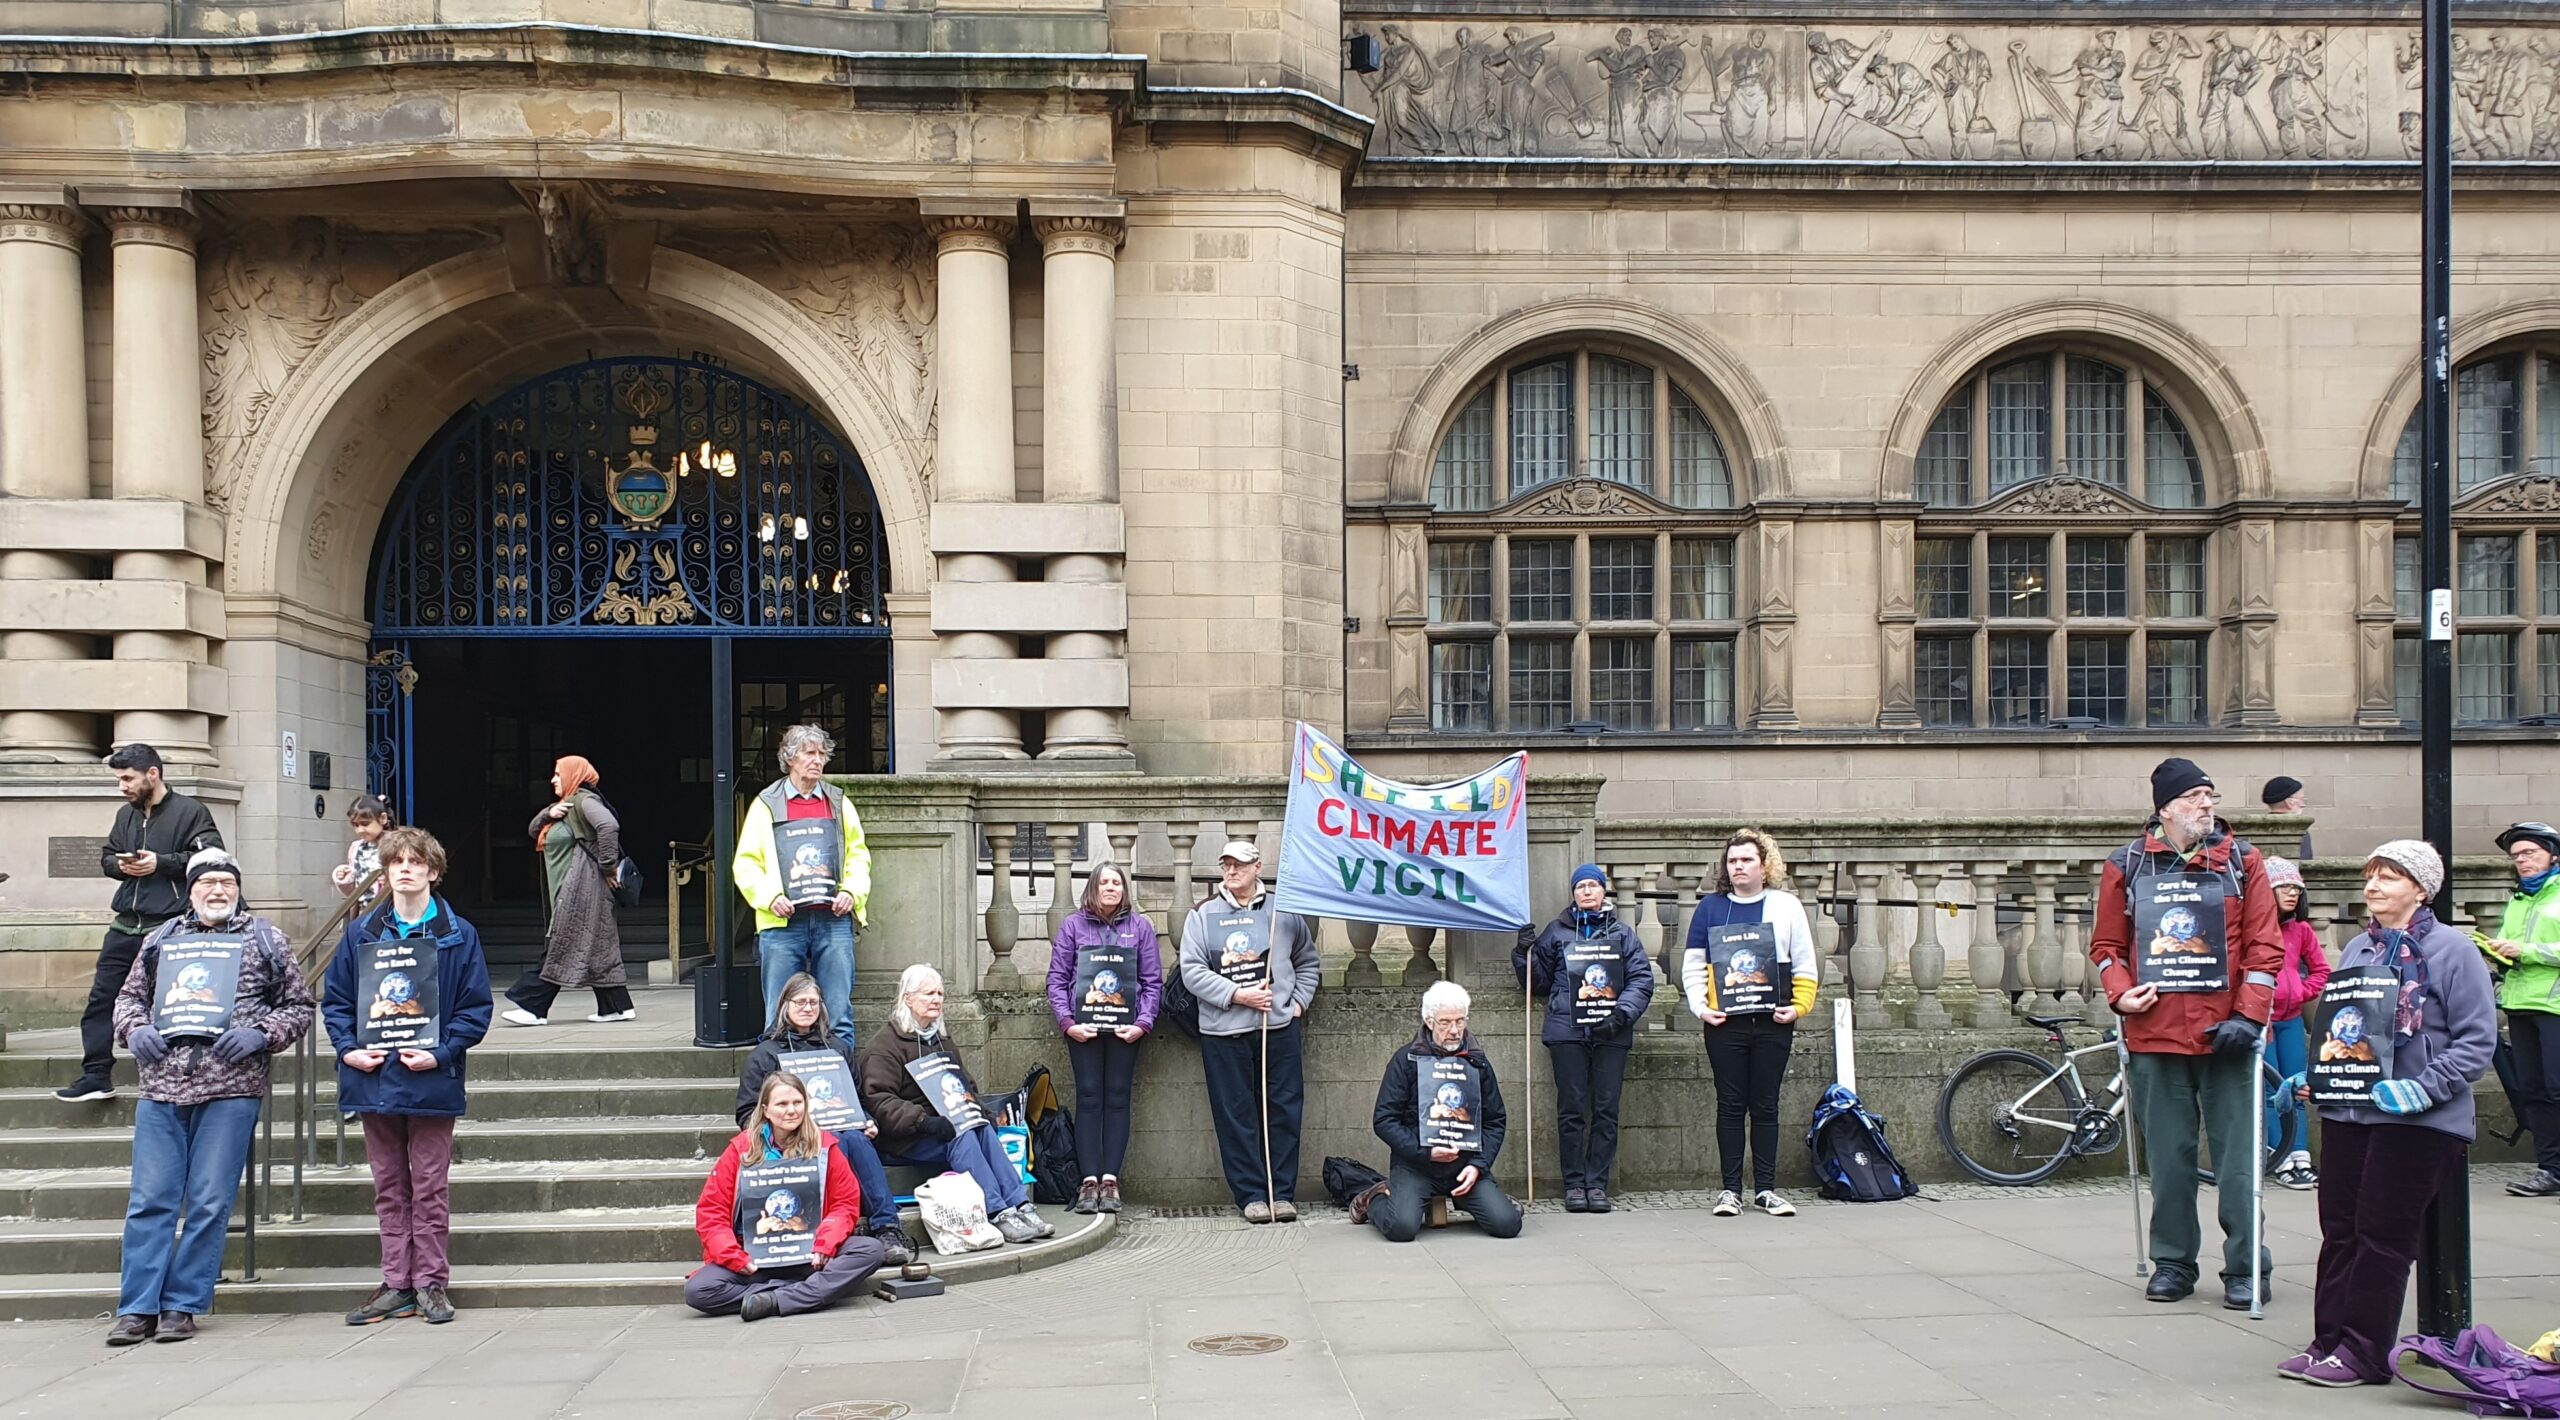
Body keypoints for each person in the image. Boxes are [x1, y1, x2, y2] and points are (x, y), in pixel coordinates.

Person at [2279, 841, 2495, 1387]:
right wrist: (2318, 1075)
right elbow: (2339, 1029)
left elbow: (2475, 1040)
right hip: (2353, 1113)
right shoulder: (2358, 949)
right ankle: (2329, 1341)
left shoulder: (2453, 950)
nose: (2373, 886)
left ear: (2420, 890)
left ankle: (2364, 1351)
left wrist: (2426, 1088)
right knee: (2341, 1231)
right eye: (2370, 876)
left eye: (2390, 878)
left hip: (2419, 1121)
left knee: (2382, 1235)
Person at [2089, 757, 2283, 1310]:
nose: (2207, 805)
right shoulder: (2126, 864)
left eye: (2210, 795)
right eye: (2195, 796)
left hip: (2229, 1036)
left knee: (2239, 1161)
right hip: (2155, 1036)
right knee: (2169, 1162)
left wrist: (2248, 1017)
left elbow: (2267, 948)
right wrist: (2121, 993)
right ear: (2165, 807)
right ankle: (2172, 1263)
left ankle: (2247, 1268)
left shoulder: (2244, 863)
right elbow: (2105, 947)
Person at [105, 849, 315, 1345]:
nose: (218, 891)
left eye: (226, 882)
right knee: (150, 1200)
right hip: (162, 1084)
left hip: (230, 1086)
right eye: (208, 883)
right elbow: (128, 997)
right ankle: (137, 1306)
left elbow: (299, 1004)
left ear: (238, 888)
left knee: (208, 1200)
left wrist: (263, 1034)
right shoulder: (161, 939)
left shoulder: (265, 939)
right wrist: (134, 1030)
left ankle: (182, 1304)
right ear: (191, 889)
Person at [322, 827, 494, 1326]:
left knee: (430, 1186)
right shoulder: (360, 933)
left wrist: (441, 1054)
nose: (404, 869)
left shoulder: (459, 934)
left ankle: (432, 1283)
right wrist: (349, 1051)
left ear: (433, 873)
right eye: (396, 861)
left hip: (430, 1079)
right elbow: (335, 1003)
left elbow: (474, 1008)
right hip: (374, 1079)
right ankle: (396, 1281)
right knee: (389, 1186)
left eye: (415, 862)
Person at [58, 744, 225, 1104]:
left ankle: (177, 1076)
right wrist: (121, 865)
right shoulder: (126, 815)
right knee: (103, 1000)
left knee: (171, 1004)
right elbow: (107, 857)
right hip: (125, 924)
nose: (122, 786)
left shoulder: (190, 811)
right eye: (120, 779)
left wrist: (160, 863)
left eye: (128, 778)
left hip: (169, 925)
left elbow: (211, 858)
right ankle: (96, 1075)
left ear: (153, 774)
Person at [855, 965, 1052, 1243]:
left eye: (940, 993)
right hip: (907, 1136)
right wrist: (924, 1121)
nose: (936, 999)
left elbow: (965, 1084)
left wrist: (982, 1112)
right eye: (928, 994)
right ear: (907, 998)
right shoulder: (884, 1047)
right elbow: (880, 1100)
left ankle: (1019, 1204)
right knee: (963, 1134)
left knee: (980, 1127)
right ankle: (997, 1210)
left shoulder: (941, 1039)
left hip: (948, 1125)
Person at [1179, 840, 1319, 1223]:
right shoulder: (1202, 914)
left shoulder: (1284, 911)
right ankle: (1252, 1194)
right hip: (1224, 1033)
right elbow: (1192, 972)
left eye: (1239, 864)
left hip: (1277, 1028)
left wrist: (1298, 1003)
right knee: (1235, 1114)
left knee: (1284, 1111)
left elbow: (1308, 961)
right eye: (1226, 865)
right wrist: (1237, 995)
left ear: (1257, 866)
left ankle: (1281, 1192)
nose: (1231, 871)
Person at [1680, 830, 1819, 1218]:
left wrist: (1799, 1007)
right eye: (1732, 861)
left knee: (1766, 1105)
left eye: (1746, 860)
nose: (1738, 866)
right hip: (1725, 1024)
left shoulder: (1787, 906)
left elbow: (1805, 963)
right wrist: (1700, 1008)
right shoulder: (1711, 908)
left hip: (1773, 1021)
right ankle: (1729, 1191)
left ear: (1764, 865)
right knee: (1729, 1105)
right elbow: (1692, 965)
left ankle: (1767, 1189)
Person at [684, 1072, 890, 1322]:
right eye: (782, 1104)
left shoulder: (826, 1146)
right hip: (754, 1259)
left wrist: (825, 1243)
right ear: (766, 1110)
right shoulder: (740, 1150)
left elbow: (845, 1205)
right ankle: (800, 1294)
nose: (791, 1110)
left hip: (811, 1254)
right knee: (698, 1291)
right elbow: (711, 1212)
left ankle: (772, 1300)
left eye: (797, 1102)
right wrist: (735, 1257)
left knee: (870, 1250)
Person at [736, 972, 912, 1264]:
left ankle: (887, 1226)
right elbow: (745, 1113)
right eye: (801, 1002)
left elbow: (856, 1097)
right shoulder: (765, 1054)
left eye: (814, 1002)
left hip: (842, 1130)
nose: (807, 1008)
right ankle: (839, 1225)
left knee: (854, 1137)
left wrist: (866, 1118)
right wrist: (781, 1127)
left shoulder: (838, 1048)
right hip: (787, 1136)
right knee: (835, 1142)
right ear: (785, 1006)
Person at [1513, 863, 1655, 1213]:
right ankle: (1574, 1183)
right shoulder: (1557, 932)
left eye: (1593, 885)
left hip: (1611, 1032)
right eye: (1581, 886)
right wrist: (1523, 953)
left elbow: (1641, 979)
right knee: (1572, 1109)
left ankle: (1597, 1183)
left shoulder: (1622, 934)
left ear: (1604, 891)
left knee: (1606, 1109)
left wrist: (1621, 1014)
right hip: (1567, 1032)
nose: (1587, 891)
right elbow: (1538, 982)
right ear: (1573, 893)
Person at [732, 725, 872, 1048]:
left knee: (838, 1015)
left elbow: (859, 855)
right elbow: (746, 863)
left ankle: (843, 1092)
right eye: (810, 753)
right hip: (782, 923)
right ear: (790, 758)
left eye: (822, 754)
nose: (818, 760)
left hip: (832, 920)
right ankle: (780, 1093)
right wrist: (770, 898)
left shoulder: (837, 802)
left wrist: (851, 891)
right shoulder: (766, 804)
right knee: (779, 1014)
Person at [1361, 981, 1521, 1243]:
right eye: (1446, 1022)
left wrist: (1479, 1166)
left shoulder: (1477, 1061)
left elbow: (1495, 1121)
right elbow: (1384, 1120)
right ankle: (1375, 1198)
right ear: (1429, 1021)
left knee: (1508, 1224)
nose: (1454, 1031)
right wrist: (1424, 1152)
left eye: (1460, 1021)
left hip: (1465, 1164)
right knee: (1401, 1228)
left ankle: (1480, 1200)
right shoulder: (1406, 1060)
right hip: (1417, 1165)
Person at [1044, 862, 1162, 1214]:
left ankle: (1111, 1179)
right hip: (1085, 1031)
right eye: (1104, 882)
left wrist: (1143, 1023)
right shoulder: (1072, 926)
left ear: (1124, 890)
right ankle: (1089, 1180)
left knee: (1118, 1099)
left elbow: (1153, 981)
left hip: (1127, 1031)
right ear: (1092, 888)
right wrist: (1067, 1023)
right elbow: (1056, 979)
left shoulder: (1140, 928)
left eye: (1117, 882)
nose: (1111, 888)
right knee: (1089, 1097)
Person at [502, 755, 634, 1026]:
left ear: (573, 775)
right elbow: (532, 830)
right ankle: (616, 1006)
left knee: (559, 946)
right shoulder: (564, 805)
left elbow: (609, 826)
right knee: (598, 949)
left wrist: (607, 866)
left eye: (558, 774)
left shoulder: (583, 801)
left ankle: (533, 1006)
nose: (552, 780)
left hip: (581, 890)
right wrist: (547, 814)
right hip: (571, 889)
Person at [2482, 821, 2560, 1197]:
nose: (2522, 861)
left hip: (2555, 1004)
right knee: (2533, 1091)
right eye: (2516, 856)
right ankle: (2550, 1170)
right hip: (2520, 1000)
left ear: (2552, 854)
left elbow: (2540, 949)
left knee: (2557, 1088)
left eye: (2529, 853)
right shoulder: (2519, 899)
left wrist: (2525, 952)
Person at [2262, 857, 2329, 1191]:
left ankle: (2300, 1154)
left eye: (2295, 888)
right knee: (2273, 1091)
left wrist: (2301, 992)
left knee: (2298, 1087)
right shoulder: (2255, 928)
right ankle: (2282, 1155)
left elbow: (2321, 969)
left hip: (2289, 1020)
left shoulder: (2300, 930)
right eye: (2283, 887)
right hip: (2263, 1023)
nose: (2291, 893)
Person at [331, 795, 393, 908]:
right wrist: (346, 878)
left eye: (365, 824)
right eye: (355, 825)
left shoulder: (397, 845)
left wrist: (390, 880)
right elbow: (355, 891)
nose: (360, 830)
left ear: (383, 818)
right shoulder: (356, 848)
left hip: (389, 909)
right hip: (363, 911)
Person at [2262, 776, 2313, 858]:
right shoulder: (2299, 831)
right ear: (2290, 803)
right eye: (2302, 799)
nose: (2303, 804)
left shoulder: (2256, 828)